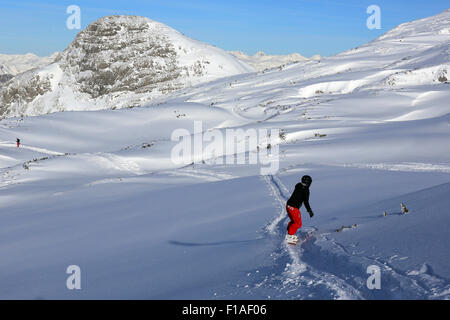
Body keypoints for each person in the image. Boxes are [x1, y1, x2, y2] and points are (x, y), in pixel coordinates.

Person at [285, 175, 314, 244]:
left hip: (288, 206)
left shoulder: (298, 185)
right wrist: (309, 210)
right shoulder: (306, 191)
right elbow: (306, 202)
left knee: (293, 221)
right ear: (308, 183)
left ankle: (289, 232)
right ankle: (290, 238)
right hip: (293, 208)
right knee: (298, 224)